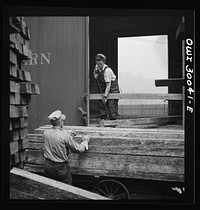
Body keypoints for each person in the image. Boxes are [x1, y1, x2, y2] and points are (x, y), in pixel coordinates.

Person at [43, 110, 90, 185]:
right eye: (62, 120)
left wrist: (67, 132)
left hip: (48, 166)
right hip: (61, 168)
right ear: (60, 122)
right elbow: (79, 149)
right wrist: (85, 141)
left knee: (50, 188)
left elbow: (55, 134)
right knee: (66, 189)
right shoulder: (65, 136)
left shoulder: (45, 133)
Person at [93, 53, 120, 120]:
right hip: (103, 88)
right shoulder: (97, 67)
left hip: (112, 89)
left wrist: (105, 96)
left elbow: (108, 85)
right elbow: (94, 73)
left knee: (111, 106)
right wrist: (95, 75)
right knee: (101, 104)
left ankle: (113, 121)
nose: (99, 66)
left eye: (100, 64)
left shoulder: (107, 71)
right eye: (98, 64)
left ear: (103, 62)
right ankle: (103, 119)